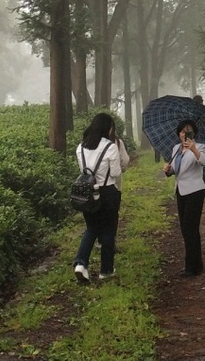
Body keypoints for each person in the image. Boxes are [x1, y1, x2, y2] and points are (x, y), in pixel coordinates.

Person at [73, 112, 130, 284]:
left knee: (91, 228)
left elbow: (84, 171)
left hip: (87, 193)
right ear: (107, 128)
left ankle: (80, 264)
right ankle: (106, 270)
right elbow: (115, 173)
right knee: (108, 230)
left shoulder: (80, 147)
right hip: (107, 193)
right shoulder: (110, 147)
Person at [162, 118, 205, 276]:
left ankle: (193, 266)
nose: (185, 133)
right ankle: (194, 264)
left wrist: (194, 149)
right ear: (179, 133)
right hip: (180, 191)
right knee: (184, 228)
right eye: (183, 131)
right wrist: (168, 170)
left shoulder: (200, 146)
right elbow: (176, 170)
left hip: (195, 191)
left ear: (194, 133)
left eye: (189, 130)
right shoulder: (176, 148)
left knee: (191, 228)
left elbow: (203, 161)